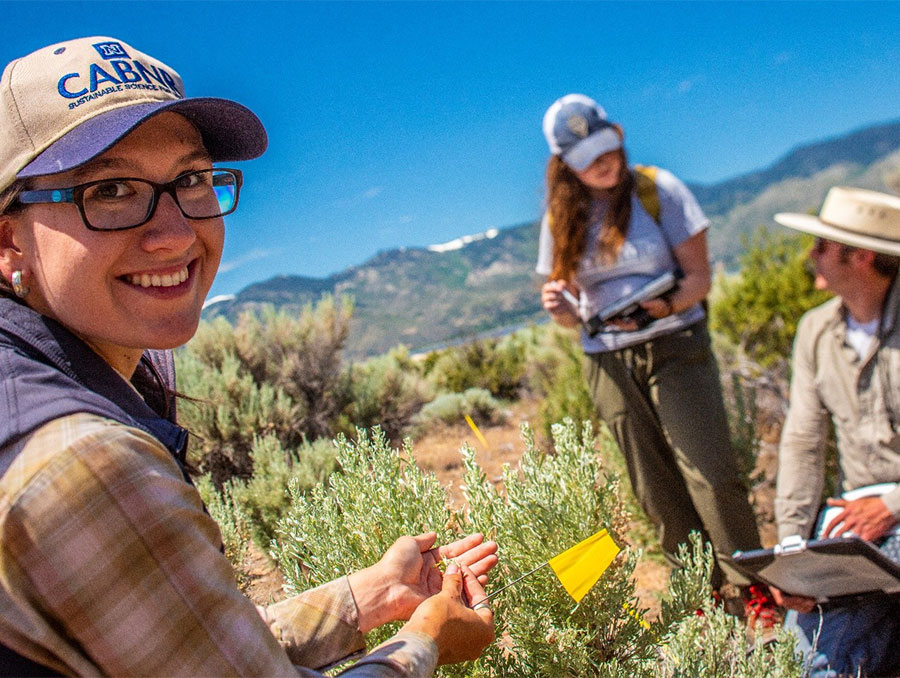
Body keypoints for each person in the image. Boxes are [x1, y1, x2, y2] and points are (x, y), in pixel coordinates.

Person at [0, 36, 497, 677]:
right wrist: (428, 641)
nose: (176, 232)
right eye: (111, 189)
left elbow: (183, 646)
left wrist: (367, 597)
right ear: (9, 242)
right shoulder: (84, 460)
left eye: (192, 179)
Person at [536, 93, 774, 621]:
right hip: (608, 361)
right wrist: (560, 307)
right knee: (653, 487)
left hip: (674, 343)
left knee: (708, 470)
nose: (604, 163)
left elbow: (700, 279)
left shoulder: (657, 189)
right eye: (588, 158)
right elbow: (569, 309)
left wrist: (660, 306)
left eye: (608, 148)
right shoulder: (561, 219)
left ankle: (754, 588)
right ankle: (701, 596)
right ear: (565, 167)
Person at [772, 186, 900, 677]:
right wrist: (790, 553)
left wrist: (889, 508)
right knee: (809, 661)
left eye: (823, 246)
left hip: (881, 513)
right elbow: (803, 443)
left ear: (862, 256)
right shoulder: (815, 332)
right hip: (856, 523)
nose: (812, 256)